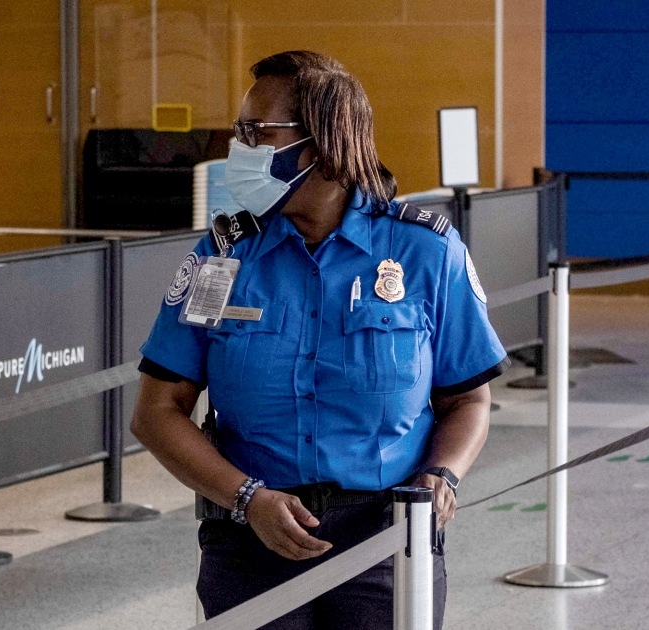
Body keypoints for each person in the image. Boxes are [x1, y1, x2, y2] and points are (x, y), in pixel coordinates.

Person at [130, 50, 506, 629]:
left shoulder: (427, 254)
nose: (238, 147)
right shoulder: (222, 257)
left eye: (255, 132)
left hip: (385, 540)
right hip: (250, 543)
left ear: (320, 144)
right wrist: (247, 498)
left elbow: (468, 400)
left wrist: (443, 475)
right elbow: (158, 411)